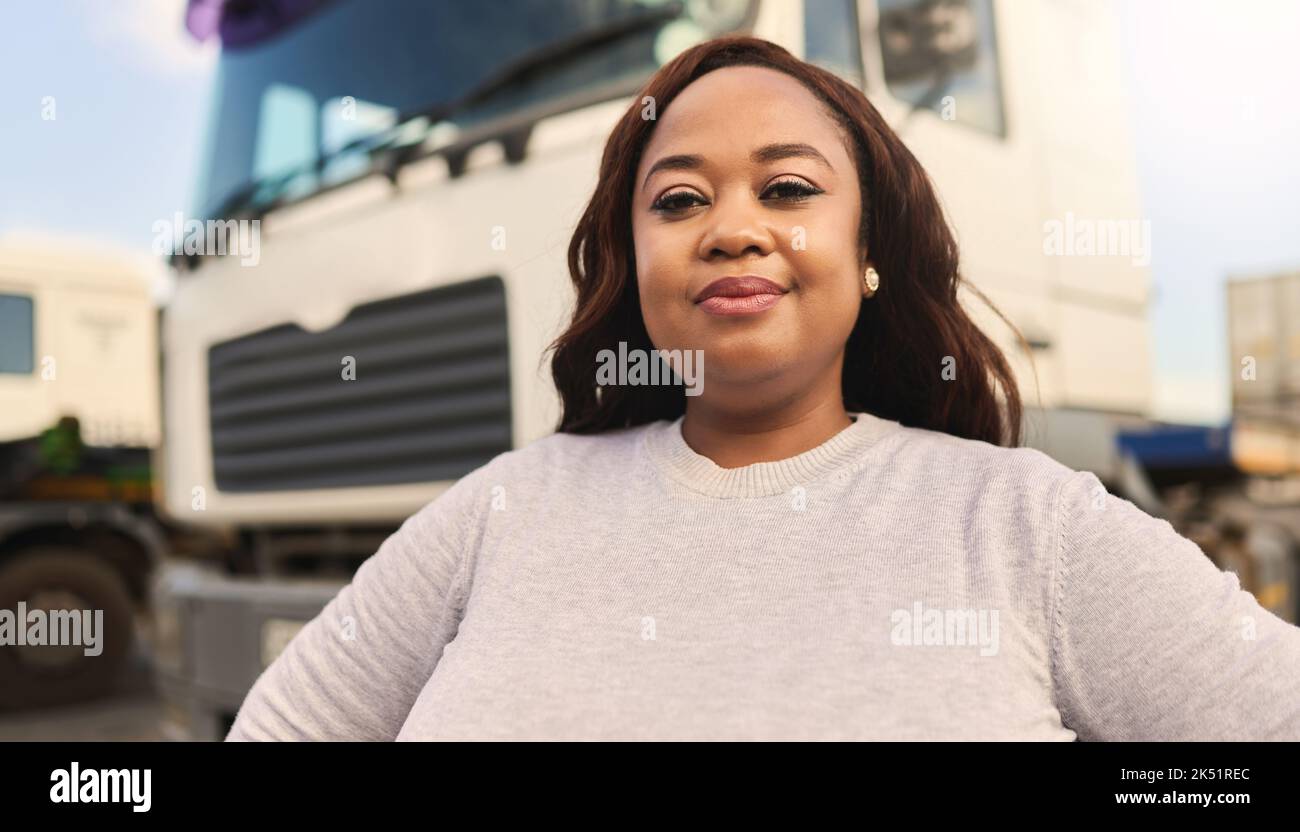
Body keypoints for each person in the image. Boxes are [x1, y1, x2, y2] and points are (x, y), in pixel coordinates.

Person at [226, 36, 1300, 741]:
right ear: (631, 264)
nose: (731, 226)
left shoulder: (1029, 524)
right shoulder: (500, 510)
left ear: (868, 244)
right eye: (678, 199)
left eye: (787, 188)